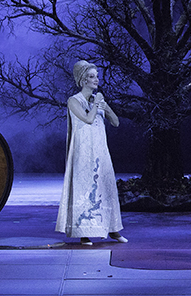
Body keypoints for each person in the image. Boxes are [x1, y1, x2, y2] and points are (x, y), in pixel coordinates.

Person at [56, 60, 127, 245]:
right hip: (84, 152)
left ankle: (112, 229)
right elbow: (87, 119)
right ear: (82, 80)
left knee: (106, 188)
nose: (96, 80)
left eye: (96, 76)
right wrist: (96, 104)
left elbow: (116, 122)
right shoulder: (74, 100)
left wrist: (105, 107)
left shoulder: (98, 100)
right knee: (86, 188)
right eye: (91, 76)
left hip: (100, 151)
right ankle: (84, 232)